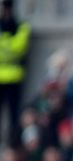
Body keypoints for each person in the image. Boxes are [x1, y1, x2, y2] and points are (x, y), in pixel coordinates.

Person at [0, 0, 30, 148]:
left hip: (15, 78)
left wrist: (4, 45)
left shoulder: (21, 26)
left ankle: (13, 142)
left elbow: (19, 47)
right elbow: (14, 47)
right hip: (3, 77)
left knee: (14, 114)